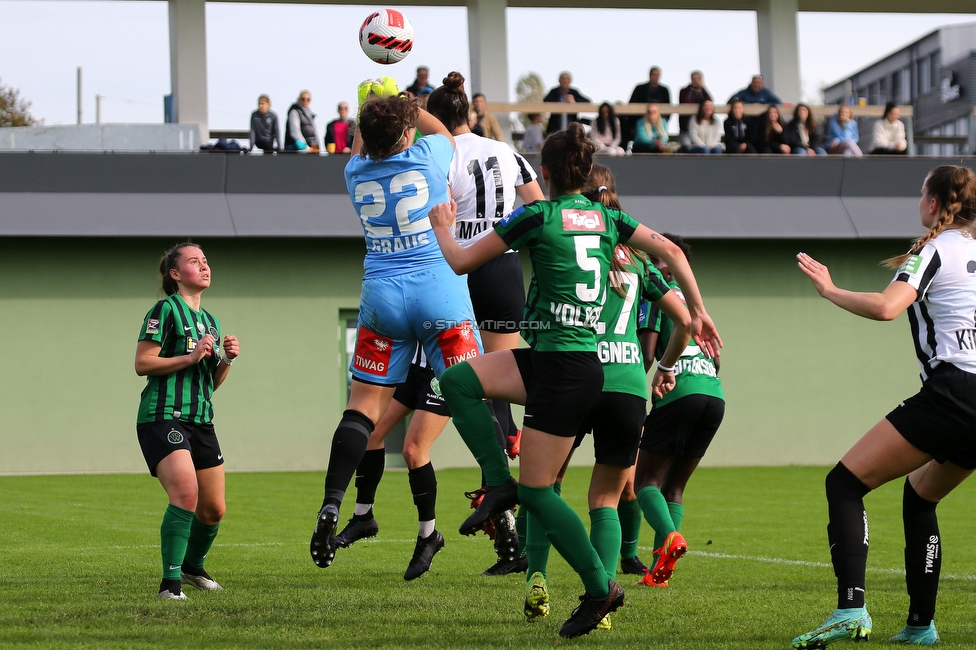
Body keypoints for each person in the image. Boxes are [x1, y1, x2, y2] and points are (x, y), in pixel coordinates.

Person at [427, 122, 721, 638]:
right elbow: (672, 255)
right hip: (566, 361)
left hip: (566, 369)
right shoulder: (609, 219)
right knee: (459, 383)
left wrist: (443, 226)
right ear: (585, 173)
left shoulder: (537, 214)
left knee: (540, 492)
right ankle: (499, 482)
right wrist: (699, 312)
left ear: (543, 173)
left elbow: (459, 262)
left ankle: (597, 588)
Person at [792, 165, 976, 649]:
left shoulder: (932, 249)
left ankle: (851, 608)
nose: (918, 200)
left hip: (954, 391)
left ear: (935, 205)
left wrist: (830, 290)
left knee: (844, 482)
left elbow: (887, 306)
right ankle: (921, 624)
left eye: (921, 193)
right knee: (920, 497)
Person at [308, 82, 483, 576]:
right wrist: (407, 102)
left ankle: (334, 502)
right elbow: (442, 130)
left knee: (361, 408)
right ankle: (497, 486)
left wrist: (374, 110)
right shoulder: (428, 154)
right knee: (469, 390)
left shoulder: (353, 170)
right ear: (406, 132)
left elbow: (366, 142)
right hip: (437, 289)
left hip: (382, 297)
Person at [519, 165, 692, 628]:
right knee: (607, 501)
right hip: (628, 385)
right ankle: (602, 600)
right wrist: (665, 369)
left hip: (574, 376)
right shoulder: (638, 262)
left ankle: (537, 575)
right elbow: (683, 318)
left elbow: (533, 317)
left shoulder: (564, 247)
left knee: (544, 487)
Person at [427, 71, 546, 575]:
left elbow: (431, 214)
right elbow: (539, 208)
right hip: (503, 266)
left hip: (459, 267)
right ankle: (514, 436)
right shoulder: (506, 151)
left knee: (466, 382)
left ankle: (501, 457)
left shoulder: (438, 156)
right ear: (470, 114)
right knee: (502, 371)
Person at [135, 241, 240, 600]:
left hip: (201, 419)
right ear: (176, 274)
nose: (205, 266)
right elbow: (142, 363)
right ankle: (170, 584)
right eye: (195, 262)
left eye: (206, 261)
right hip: (162, 417)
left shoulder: (210, 320)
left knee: (213, 510)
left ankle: (194, 567)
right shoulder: (164, 310)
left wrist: (226, 360)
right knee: (185, 494)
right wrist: (190, 356)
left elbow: (210, 383)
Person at [633, 233, 724, 588]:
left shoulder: (659, 294)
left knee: (645, 482)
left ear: (664, 263)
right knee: (673, 488)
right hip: (714, 396)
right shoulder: (698, 304)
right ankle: (659, 575)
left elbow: (646, 353)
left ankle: (670, 537)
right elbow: (716, 358)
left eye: (652, 258)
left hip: (679, 389)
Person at [333, 346, 454, 580]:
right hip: (410, 368)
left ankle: (428, 535)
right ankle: (363, 517)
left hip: (442, 371)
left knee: (413, 450)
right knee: (371, 433)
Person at [628, 66, 671, 146]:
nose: (655, 77)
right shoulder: (639, 89)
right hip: (642, 120)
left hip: (658, 122)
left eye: (657, 75)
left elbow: (669, 108)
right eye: (653, 74)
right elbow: (631, 105)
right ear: (649, 75)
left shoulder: (664, 90)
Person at [544, 72, 590, 136]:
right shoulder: (554, 91)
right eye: (563, 79)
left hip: (571, 125)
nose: (565, 81)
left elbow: (588, 101)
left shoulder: (574, 92)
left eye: (567, 79)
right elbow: (545, 102)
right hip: (555, 125)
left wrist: (575, 102)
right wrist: (562, 103)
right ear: (559, 80)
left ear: (570, 81)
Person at [677, 71, 712, 149]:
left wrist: (702, 88)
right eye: (693, 78)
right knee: (687, 148)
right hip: (685, 128)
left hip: (701, 129)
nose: (696, 80)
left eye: (698, 78)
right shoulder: (684, 91)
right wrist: (700, 105)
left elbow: (709, 101)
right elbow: (685, 101)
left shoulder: (703, 92)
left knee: (705, 148)